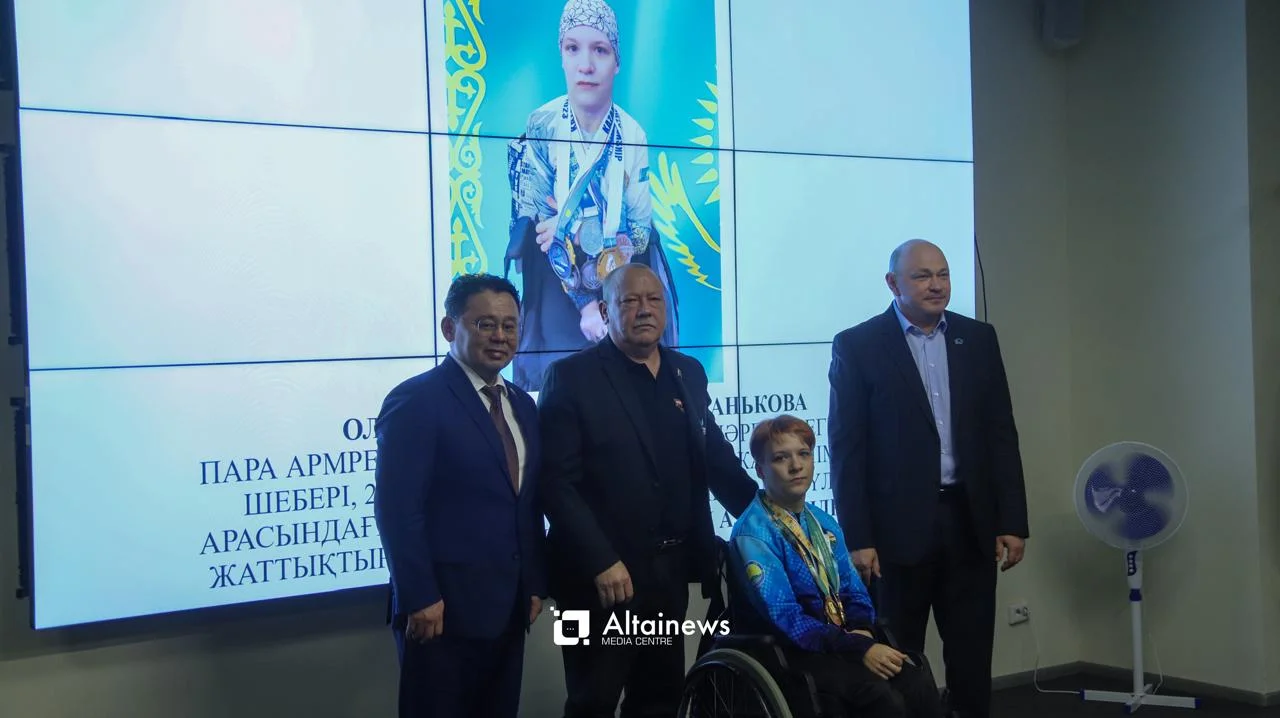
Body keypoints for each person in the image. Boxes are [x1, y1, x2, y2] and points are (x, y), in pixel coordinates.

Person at [538, 263, 757, 717]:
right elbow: (556, 484)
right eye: (630, 301)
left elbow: (715, 460)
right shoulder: (570, 376)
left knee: (660, 698)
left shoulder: (687, 372)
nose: (644, 310)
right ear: (604, 310)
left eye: (654, 300)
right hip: (599, 582)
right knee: (592, 700)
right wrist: (601, 561)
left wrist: (773, 520)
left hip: (668, 574)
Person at [827, 239, 1030, 718]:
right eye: (922, 276)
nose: (936, 285)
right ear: (893, 283)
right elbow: (847, 448)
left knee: (972, 657)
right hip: (895, 535)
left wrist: (1012, 520)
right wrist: (858, 537)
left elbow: (1001, 433)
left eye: (943, 274)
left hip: (969, 522)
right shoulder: (858, 345)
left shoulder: (977, 338)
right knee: (899, 660)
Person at [373, 273, 548, 718]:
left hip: (507, 608)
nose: (500, 336)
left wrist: (533, 583)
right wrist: (419, 596)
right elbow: (397, 510)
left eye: (510, 325)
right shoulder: (416, 401)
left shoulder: (523, 405)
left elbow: (525, 505)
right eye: (485, 324)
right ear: (450, 328)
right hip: (441, 613)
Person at [505, 0, 682, 394]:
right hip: (556, 282)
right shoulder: (542, 124)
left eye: (599, 50)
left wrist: (577, 226)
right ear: (562, 55)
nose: (585, 65)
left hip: (617, 282)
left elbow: (639, 232)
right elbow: (541, 227)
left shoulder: (632, 133)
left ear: (616, 62)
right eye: (573, 48)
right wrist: (586, 304)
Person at [731, 415, 945, 718]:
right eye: (781, 458)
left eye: (803, 454)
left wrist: (862, 629)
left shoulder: (823, 522)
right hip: (789, 653)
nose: (796, 466)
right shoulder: (753, 533)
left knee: (914, 679)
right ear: (761, 470)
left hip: (839, 642)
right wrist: (856, 647)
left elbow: (853, 589)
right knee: (878, 695)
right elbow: (786, 618)